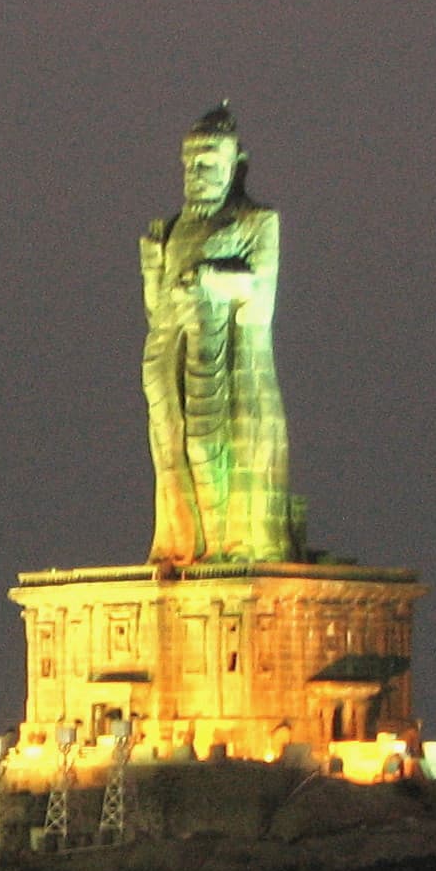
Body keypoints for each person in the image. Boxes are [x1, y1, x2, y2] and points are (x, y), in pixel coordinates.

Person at [141, 103, 293, 565]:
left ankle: (226, 543)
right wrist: (152, 265)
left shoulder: (255, 222)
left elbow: (259, 295)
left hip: (223, 356)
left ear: (235, 166)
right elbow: (157, 308)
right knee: (170, 448)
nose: (196, 173)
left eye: (208, 162)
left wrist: (212, 278)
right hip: (168, 350)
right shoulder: (173, 228)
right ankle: (181, 542)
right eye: (190, 163)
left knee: (209, 445)